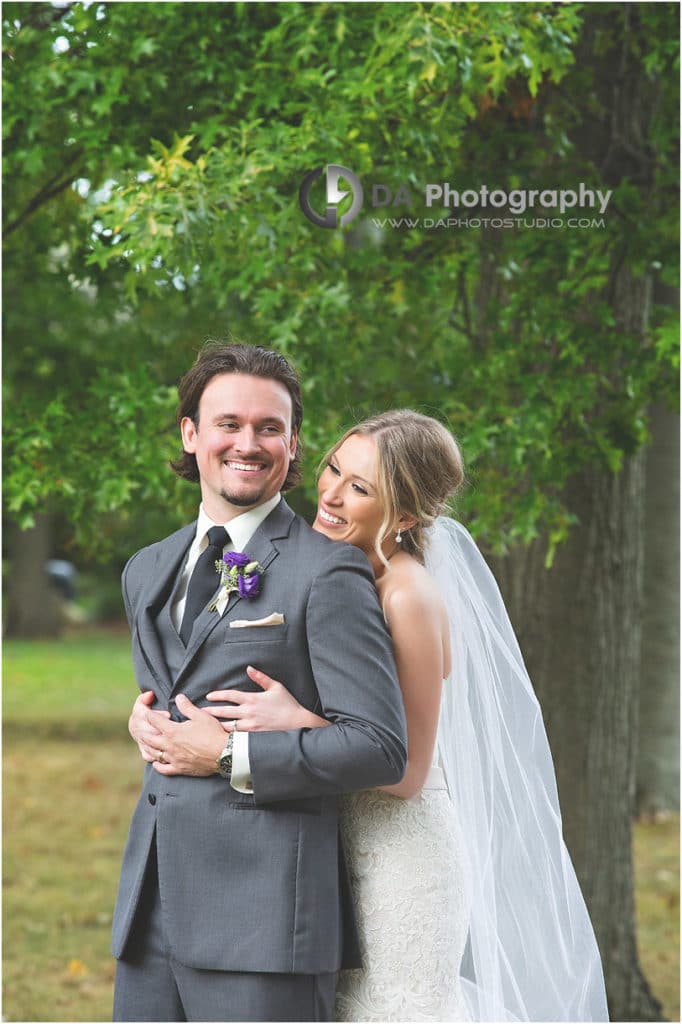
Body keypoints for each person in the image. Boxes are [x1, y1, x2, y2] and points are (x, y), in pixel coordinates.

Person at [196, 409, 610, 1022]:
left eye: (360, 488)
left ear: (408, 516)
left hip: (400, 862)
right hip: (335, 846)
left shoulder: (407, 594)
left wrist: (297, 718)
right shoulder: (337, 570)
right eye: (334, 469)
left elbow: (408, 770)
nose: (331, 495)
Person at [112, 342, 408, 1023]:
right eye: (229, 424)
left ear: (292, 444)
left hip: (266, 924)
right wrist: (147, 726)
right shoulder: (145, 569)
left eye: (269, 427)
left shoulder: (327, 571)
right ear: (191, 434)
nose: (248, 443)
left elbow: (380, 747)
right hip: (149, 911)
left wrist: (227, 755)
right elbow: (176, 694)